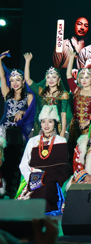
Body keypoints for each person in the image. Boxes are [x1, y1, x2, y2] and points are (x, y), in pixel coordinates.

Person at [18, 105, 71, 213]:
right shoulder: (33, 141)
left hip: (52, 178)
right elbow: (23, 164)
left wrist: (48, 176)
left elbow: (63, 166)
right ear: (40, 123)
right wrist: (31, 177)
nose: (46, 125)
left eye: (50, 122)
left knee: (47, 187)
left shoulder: (61, 141)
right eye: (43, 122)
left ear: (55, 123)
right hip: (33, 176)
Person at [0, 60, 36, 198]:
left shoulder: (28, 96)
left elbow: (31, 113)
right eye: (12, 80)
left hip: (17, 134)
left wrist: (22, 112)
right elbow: (2, 76)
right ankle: (2, 190)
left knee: (14, 162)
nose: (15, 83)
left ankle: (12, 191)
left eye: (18, 80)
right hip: (3, 131)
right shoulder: (7, 94)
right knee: (2, 161)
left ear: (23, 81)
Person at [23, 54, 70, 138]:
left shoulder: (63, 94)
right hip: (40, 126)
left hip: (56, 127)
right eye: (48, 77)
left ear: (59, 79)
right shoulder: (41, 92)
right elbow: (27, 79)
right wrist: (27, 61)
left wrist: (63, 132)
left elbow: (63, 114)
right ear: (46, 79)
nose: (51, 80)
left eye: (54, 77)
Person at [65, 51, 91, 149]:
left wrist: (87, 123)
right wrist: (71, 58)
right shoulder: (76, 91)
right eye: (81, 77)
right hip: (75, 127)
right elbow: (68, 76)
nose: (84, 80)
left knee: (87, 150)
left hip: (89, 128)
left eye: (87, 77)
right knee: (73, 151)